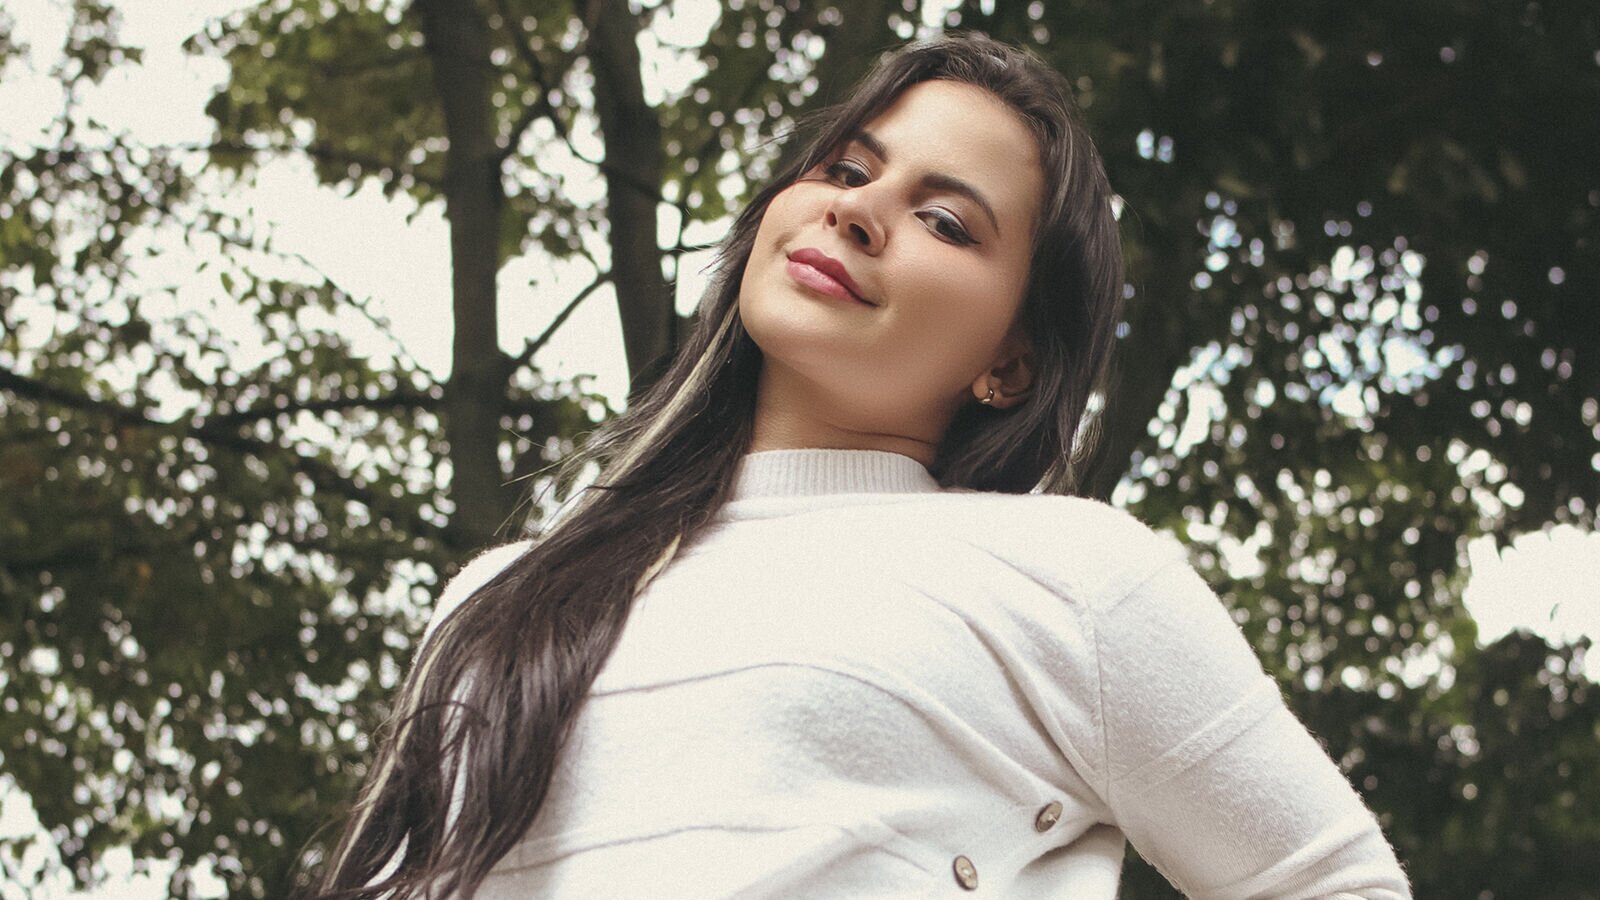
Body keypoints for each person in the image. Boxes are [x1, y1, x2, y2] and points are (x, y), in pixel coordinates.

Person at [314, 33, 1411, 899]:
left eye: (944, 219)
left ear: (1010, 361)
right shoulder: (499, 599)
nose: (859, 210)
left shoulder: (1072, 580)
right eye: (846, 167)